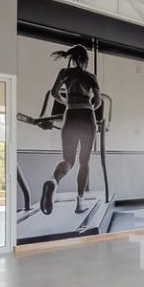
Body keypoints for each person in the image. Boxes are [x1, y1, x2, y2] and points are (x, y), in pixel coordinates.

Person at [40, 45, 101, 215]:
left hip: (71, 116)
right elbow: (98, 101)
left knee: (68, 160)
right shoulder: (91, 76)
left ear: (73, 58)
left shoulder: (64, 73)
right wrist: (91, 106)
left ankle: (53, 182)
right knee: (84, 162)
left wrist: (67, 102)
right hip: (87, 116)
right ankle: (79, 203)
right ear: (85, 60)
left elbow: (54, 93)